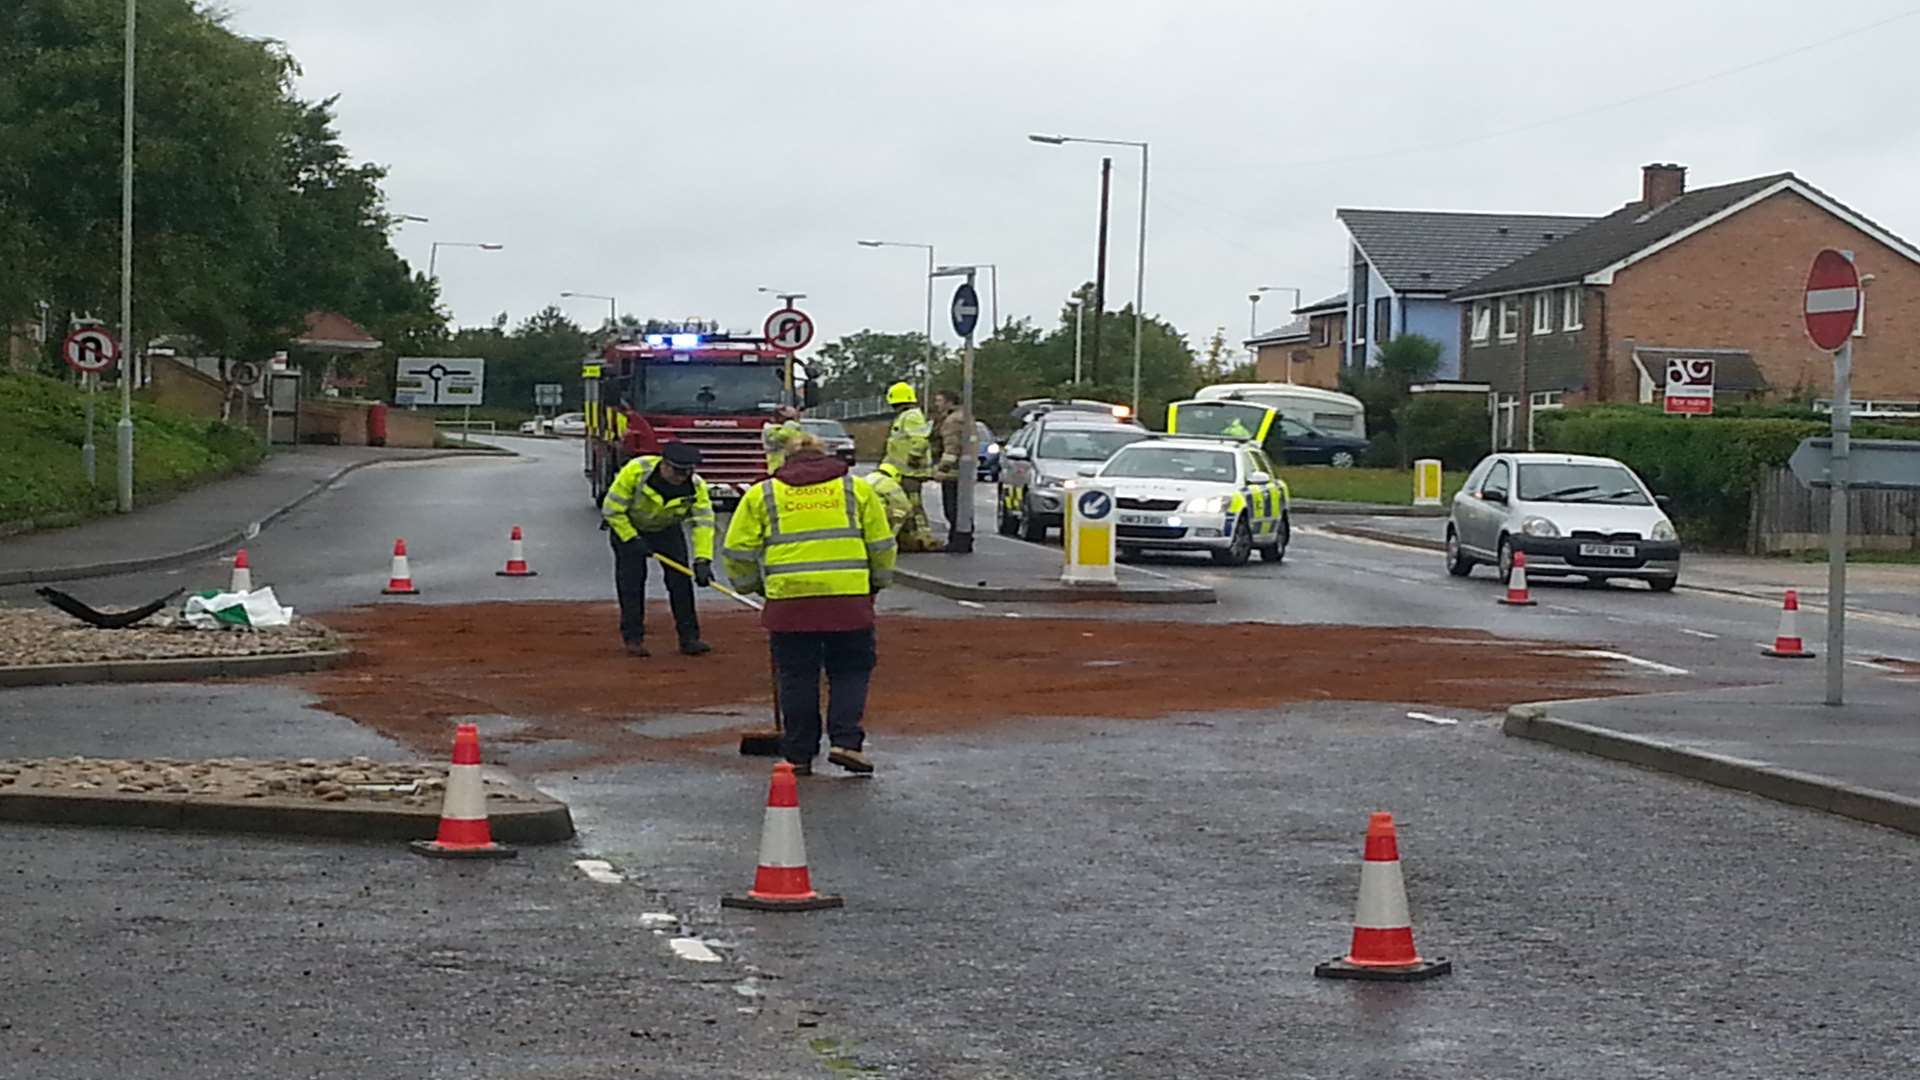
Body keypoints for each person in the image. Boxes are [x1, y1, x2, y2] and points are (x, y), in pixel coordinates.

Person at [721, 432, 896, 775]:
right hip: (847, 598)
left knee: (796, 675)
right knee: (850, 670)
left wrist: (755, 587)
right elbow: (881, 544)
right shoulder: (856, 489)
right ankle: (846, 741)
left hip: (789, 600)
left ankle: (799, 753)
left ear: (786, 459)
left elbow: (737, 550)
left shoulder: (764, 493)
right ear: (826, 454)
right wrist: (876, 582)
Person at [600, 441, 715, 658]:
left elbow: (703, 523)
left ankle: (689, 638)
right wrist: (631, 538)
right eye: (677, 471)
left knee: (680, 581)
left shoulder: (696, 486)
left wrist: (703, 559)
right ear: (663, 464)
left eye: (687, 472)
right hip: (628, 526)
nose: (681, 477)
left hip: (666, 530)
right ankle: (633, 638)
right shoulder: (636, 471)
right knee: (632, 583)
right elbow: (612, 510)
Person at [882, 381, 939, 552]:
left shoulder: (911, 416)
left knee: (913, 505)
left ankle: (924, 537)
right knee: (906, 504)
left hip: (910, 472)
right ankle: (913, 536)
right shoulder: (905, 416)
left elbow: (920, 440)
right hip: (903, 471)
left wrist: (913, 457)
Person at [931, 389, 972, 544]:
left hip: (954, 472)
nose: (937, 404)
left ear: (949, 402)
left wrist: (942, 469)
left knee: (952, 508)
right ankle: (962, 539)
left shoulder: (952, 421)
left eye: (939, 400)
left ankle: (957, 541)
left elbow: (951, 448)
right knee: (963, 508)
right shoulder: (964, 417)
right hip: (965, 471)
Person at [864, 461, 917, 546]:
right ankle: (889, 541)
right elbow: (904, 505)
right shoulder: (888, 482)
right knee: (901, 513)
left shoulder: (866, 478)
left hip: (860, 511)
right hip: (877, 512)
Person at [761, 404, 804, 474]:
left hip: (790, 468)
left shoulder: (787, 428)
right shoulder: (771, 430)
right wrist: (791, 425)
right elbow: (782, 437)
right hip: (778, 468)